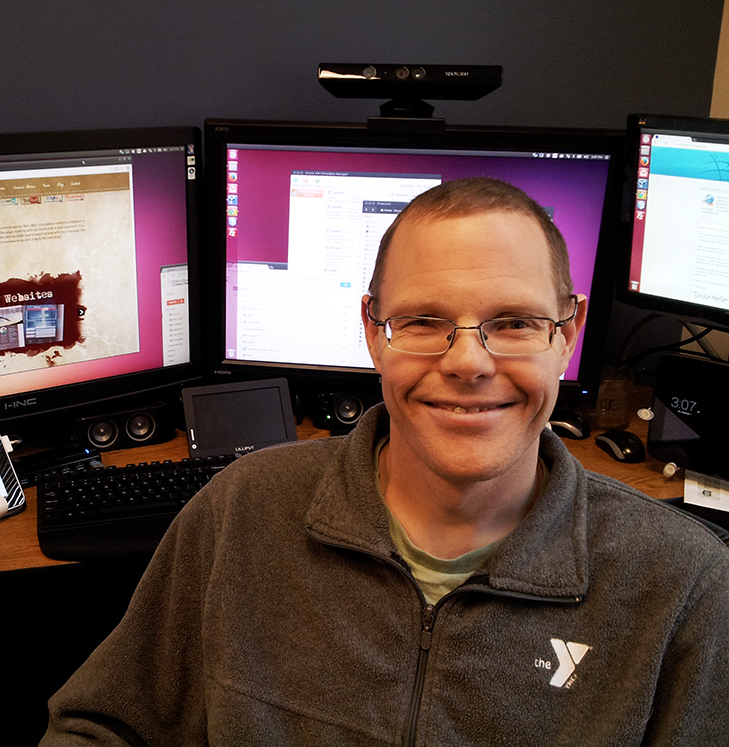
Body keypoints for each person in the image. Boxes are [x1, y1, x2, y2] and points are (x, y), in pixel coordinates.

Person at [40, 177, 729, 746]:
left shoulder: (684, 588)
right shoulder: (242, 510)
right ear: (373, 332)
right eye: (424, 321)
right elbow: (103, 726)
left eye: (514, 323)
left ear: (566, 334)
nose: (467, 361)